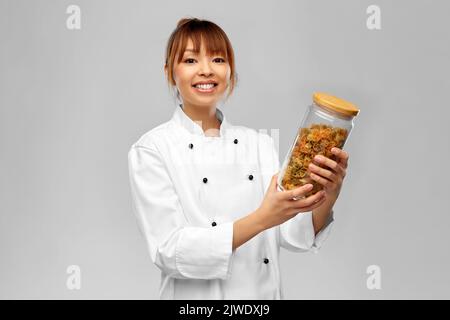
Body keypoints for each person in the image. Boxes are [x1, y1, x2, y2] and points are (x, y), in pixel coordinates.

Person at [127, 17, 350, 300]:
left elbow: (294, 235)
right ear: (170, 72)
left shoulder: (258, 144)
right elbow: (170, 251)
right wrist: (261, 219)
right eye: (191, 61)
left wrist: (327, 195)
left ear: (230, 71)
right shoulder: (152, 149)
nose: (206, 70)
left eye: (218, 59)